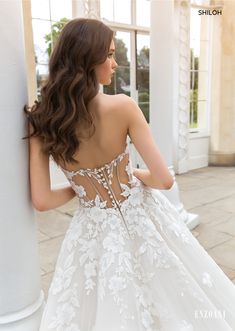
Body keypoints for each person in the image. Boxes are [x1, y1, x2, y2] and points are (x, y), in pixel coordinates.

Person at [23, 18, 235, 331]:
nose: (115, 62)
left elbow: (41, 200)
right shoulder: (123, 106)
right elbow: (163, 180)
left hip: (90, 230)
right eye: (108, 54)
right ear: (87, 59)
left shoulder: (41, 121)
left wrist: (79, 189)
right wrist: (134, 173)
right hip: (141, 217)